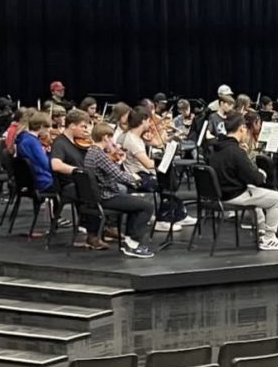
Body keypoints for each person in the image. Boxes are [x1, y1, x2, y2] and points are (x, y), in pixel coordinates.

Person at [207, 112, 278, 251]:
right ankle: (269, 238)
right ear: (241, 129)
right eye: (245, 129)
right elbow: (256, 179)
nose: (246, 132)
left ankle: (261, 230)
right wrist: (261, 174)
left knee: (255, 194)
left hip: (219, 193)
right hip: (233, 195)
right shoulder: (235, 152)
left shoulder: (216, 149)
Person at [82, 122, 156, 257]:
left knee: (136, 205)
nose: (112, 142)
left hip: (97, 196)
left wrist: (120, 162)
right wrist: (136, 181)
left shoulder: (90, 152)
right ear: (105, 138)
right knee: (147, 206)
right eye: (111, 138)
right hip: (106, 197)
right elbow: (118, 175)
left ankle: (130, 241)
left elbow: (111, 171)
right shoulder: (100, 155)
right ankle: (132, 244)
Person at [118, 107, 194, 231]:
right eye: (149, 121)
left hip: (140, 172)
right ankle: (163, 219)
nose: (151, 124)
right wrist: (164, 162)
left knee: (168, 182)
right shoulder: (132, 140)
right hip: (136, 176)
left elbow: (158, 144)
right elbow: (148, 164)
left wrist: (159, 134)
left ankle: (178, 214)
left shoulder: (135, 136)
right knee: (165, 184)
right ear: (143, 121)